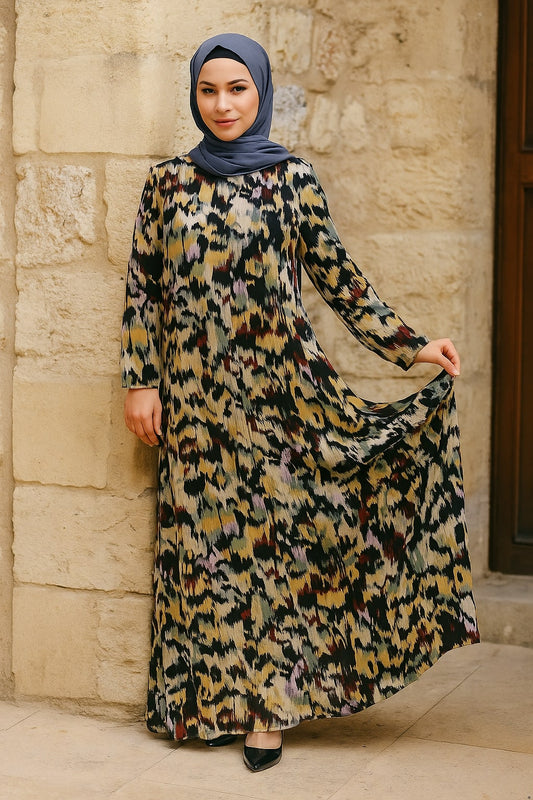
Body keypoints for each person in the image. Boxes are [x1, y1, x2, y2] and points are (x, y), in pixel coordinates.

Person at [121, 33, 479, 773]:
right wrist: (141, 381)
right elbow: (143, 289)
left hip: (283, 401)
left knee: (275, 552)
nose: (222, 104)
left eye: (237, 89)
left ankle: (267, 712)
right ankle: (205, 703)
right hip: (194, 405)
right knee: (204, 555)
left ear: (261, 92)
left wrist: (412, 345)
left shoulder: (291, 180)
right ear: (194, 95)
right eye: (208, 90)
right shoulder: (166, 185)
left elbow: (339, 280)